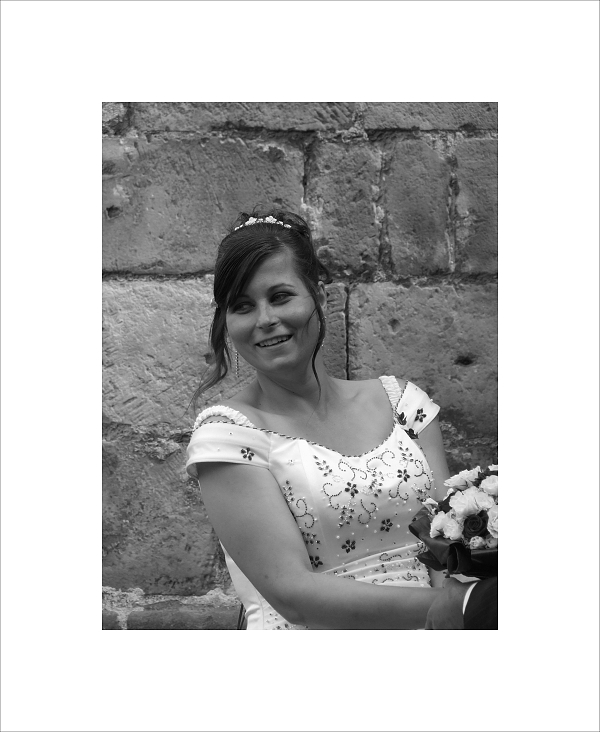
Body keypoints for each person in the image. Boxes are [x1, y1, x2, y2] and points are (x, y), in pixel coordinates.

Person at [186, 208, 476, 630]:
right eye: (242, 306)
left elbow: (448, 549)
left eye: (280, 296)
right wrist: (462, 606)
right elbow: (293, 594)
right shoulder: (227, 437)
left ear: (318, 298)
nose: (265, 319)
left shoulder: (403, 405)